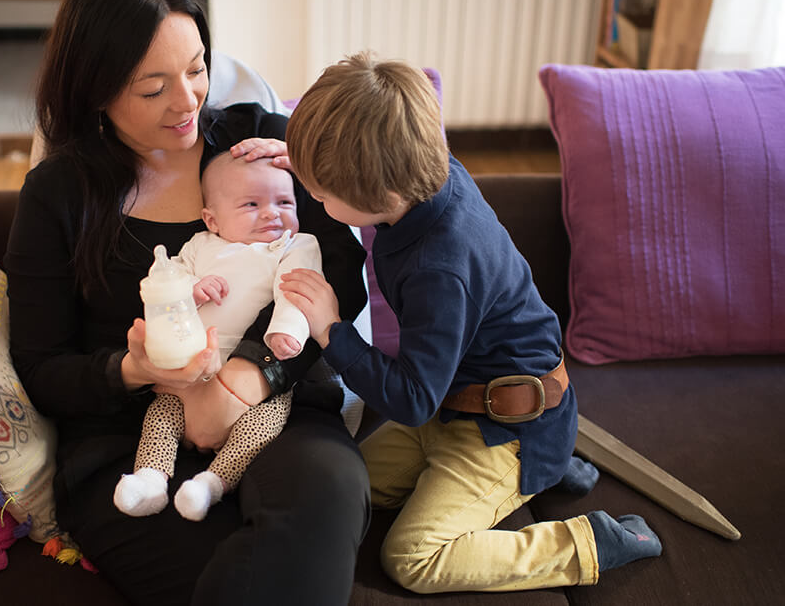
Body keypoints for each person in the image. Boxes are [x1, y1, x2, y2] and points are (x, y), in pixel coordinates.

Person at [4, 0, 369, 606]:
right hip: (130, 443)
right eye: (153, 87)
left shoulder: (259, 140)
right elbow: (42, 364)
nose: (188, 100)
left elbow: (338, 269)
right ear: (95, 90)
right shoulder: (58, 195)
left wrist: (249, 375)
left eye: (197, 67)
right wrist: (134, 369)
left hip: (280, 418)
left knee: (324, 501)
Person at [279, 52, 662, 594]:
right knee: (345, 483)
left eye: (320, 190)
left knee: (411, 557)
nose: (313, 195)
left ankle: (591, 541)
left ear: (378, 194)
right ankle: (549, 471)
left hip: (502, 431)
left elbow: (413, 399)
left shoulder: (441, 268)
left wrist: (332, 330)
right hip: (455, 405)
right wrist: (299, 157)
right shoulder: (428, 169)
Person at [114, 153, 320, 522]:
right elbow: (165, 278)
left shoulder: (294, 245)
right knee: (161, 414)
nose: (272, 213)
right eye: (252, 204)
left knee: (264, 424)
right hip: (190, 374)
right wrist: (190, 289)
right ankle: (151, 477)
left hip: (254, 382)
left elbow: (297, 290)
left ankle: (212, 483)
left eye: (284, 202)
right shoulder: (199, 246)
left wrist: (287, 332)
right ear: (212, 218)